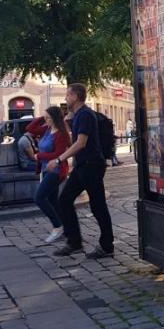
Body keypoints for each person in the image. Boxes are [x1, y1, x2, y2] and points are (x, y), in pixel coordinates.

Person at [50, 83, 114, 259]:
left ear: (76, 96)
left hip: (91, 166)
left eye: (67, 95)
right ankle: (74, 242)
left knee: (98, 206)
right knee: (64, 200)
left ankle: (106, 246)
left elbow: (81, 143)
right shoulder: (79, 115)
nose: (65, 98)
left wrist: (59, 160)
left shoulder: (85, 115)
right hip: (83, 166)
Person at [34, 106, 70, 243]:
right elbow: (30, 128)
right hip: (46, 169)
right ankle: (66, 229)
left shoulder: (61, 133)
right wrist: (42, 117)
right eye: (45, 117)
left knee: (39, 198)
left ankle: (57, 226)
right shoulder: (47, 129)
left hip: (56, 170)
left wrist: (40, 156)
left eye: (48, 117)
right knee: (53, 200)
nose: (45, 120)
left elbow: (58, 154)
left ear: (54, 118)